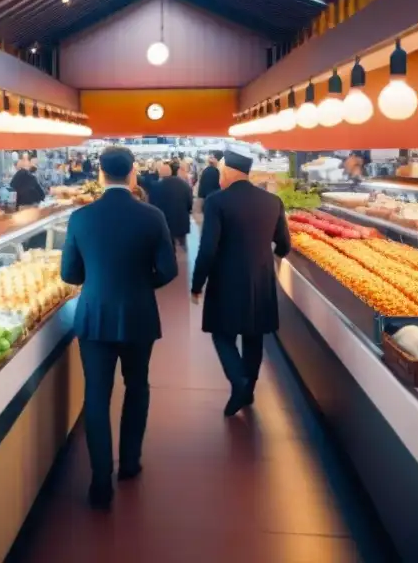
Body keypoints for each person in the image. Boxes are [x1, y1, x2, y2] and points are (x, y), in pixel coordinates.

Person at [61, 146, 178, 510]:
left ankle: (100, 481)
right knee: (137, 385)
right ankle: (129, 463)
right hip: (139, 314)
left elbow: (69, 274)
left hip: (94, 316)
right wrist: (142, 286)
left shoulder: (81, 218)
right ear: (132, 174)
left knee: (96, 394)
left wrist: (96, 279)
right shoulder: (152, 215)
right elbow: (169, 269)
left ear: (99, 174)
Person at [190, 147, 292, 416]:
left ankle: (239, 382)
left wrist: (197, 283)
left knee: (221, 333)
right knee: (254, 335)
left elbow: (208, 248)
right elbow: (283, 244)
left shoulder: (217, 201)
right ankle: (248, 390)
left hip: (225, 280)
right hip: (260, 278)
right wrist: (276, 257)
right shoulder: (273, 201)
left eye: (222, 171)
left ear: (229, 172)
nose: (219, 177)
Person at [149, 160, 194, 248]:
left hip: (164, 222)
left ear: (160, 173)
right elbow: (190, 202)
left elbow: (152, 205)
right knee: (184, 246)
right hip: (181, 220)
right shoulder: (183, 184)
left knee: (169, 247)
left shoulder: (155, 186)